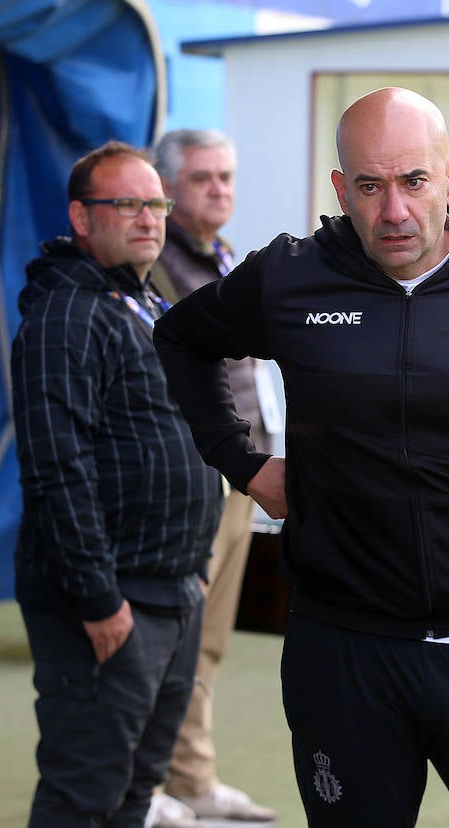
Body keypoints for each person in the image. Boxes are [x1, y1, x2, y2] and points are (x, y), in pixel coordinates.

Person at [153, 87, 449, 827]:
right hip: (342, 652)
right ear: (343, 190)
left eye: (413, 181)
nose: (395, 211)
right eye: (370, 188)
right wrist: (241, 463)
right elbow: (181, 337)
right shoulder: (291, 277)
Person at [11, 140, 223, 827]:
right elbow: (55, 467)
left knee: (135, 792)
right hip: (110, 601)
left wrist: (192, 575)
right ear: (81, 216)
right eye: (125, 204)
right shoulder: (65, 316)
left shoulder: (138, 300)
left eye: (155, 203)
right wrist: (100, 600)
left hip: (170, 590)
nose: (147, 218)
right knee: (87, 794)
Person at [146, 129, 278, 827]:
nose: (220, 189)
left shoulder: (221, 256)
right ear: (165, 188)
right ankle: (144, 784)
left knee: (209, 641)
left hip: (239, 477)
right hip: (191, 478)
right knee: (168, 638)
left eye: (226, 176)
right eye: (203, 178)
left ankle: (191, 778)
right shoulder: (154, 265)